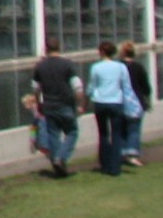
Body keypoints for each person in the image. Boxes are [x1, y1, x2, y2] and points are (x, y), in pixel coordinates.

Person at [33, 37, 83, 177]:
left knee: (53, 134)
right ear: (59, 47)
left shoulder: (40, 66)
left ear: (46, 49)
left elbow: (36, 89)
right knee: (72, 132)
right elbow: (77, 87)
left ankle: (57, 164)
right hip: (66, 104)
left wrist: (39, 104)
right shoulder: (67, 65)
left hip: (49, 105)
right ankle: (61, 158)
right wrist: (79, 103)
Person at [86, 41, 129, 177]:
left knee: (103, 134)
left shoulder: (96, 67)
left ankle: (104, 164)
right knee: (116, 134)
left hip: (101, 102)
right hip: (116, 102)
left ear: (101, 52)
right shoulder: (120, 67)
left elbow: (92, 86)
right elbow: (126, 86)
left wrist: (86, 101)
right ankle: (115, 167)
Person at [119, 41, 152, 167]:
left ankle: (122, 152)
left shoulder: (118, 67)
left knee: (122, 128)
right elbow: (145, 86)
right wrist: (147, 97)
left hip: (120, 101)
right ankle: (132, 154)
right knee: (134, 129)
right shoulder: (138, 67)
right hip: (136, 101)